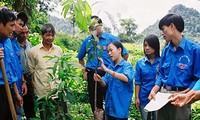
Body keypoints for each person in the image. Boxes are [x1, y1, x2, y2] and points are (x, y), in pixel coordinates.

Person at [148, 14, 200, 120]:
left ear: (172, 26)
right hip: (163, 96)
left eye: (163, 29)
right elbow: (162, 75)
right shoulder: (166, 51)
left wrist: (185, 94)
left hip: (181, 97)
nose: (162, 33)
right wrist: (154, 90)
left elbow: (197, 77)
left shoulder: (194, 50)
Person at [77, 15, 129, 114]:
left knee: (111, 98)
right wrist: (84, 72)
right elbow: (80, 58)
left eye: (96, 26)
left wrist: (118, 68)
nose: (94, 29)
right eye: (91, 27)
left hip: (109, 73)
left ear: (101, 26)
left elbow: (125, 53)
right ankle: (98, 116)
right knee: (95, 102)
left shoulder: (111, 39)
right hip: (93, 74)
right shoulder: (87, 41)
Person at [27, 23, 62, 119]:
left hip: (56, 91)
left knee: (58, 115)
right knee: (45, 116)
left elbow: (60, 68)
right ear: (42, 35)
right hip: (42, 92)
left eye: (52, 35)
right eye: (47, 35)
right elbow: (32, 71)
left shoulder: (58, 50)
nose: (50, 38)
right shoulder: (33, 51)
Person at [93, 41, 133, 120]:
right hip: (109, 109)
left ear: (119, 50)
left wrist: (107, 70)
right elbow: (105, 84)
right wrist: (100, 80)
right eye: (108, 51)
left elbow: (126, 78)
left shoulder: (126, 66)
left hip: (120, 111)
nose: (109, 53)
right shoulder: (111, 66)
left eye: (111, 50)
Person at [0, 7, 21, 120]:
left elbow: (11, 69)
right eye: (11, 25)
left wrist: (16, 93)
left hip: (10, 89)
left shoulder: (8, 41)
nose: (14, 29)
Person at [134, 34, 160, 120]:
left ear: (155, 46)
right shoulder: (140, 63)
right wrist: (137, 98)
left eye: (149, 45)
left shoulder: (162, 62)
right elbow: (138, 82)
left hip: (158, 97)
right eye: (145, 45)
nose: (147, 48)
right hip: (144, 96)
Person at [11, 11, 28, 120]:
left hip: (18, 85)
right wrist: (16, 92)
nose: (21, 28)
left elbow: (18, 66)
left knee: (19, 114)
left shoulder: (14, 44)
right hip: (10, 88)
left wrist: (23, 81)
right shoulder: (5, 42)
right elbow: (9, 70)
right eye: (20, 24)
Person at [17, 25, 36, 119]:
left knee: (30, 103)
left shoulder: (29, 44)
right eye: (22, 33)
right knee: (19, 102)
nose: (24, 35)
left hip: (28, 76)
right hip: (19, 77)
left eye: (27, 32)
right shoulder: (14, 45)